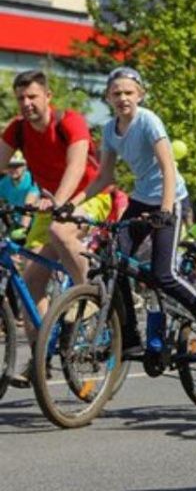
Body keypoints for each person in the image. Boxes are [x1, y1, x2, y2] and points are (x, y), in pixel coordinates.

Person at [78, 67, 196, 367]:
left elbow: (168, 168)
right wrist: (74, 203)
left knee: (164, 275)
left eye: (128, 93)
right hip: (140, 199)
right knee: (113, 263)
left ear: (140, 95)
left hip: (169, 199)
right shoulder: (110, 129)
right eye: (116, 93)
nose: (123, 98)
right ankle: (131, 336)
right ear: (108, 96)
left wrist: (165, 210)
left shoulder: (148, 121)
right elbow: (105, 175)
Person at [0, 70, 111, 382]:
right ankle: (39, 359)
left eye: (32, 96)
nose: (26, 103)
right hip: (51, 205)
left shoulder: (70, 121)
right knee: (29, 284)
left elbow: (77, 167)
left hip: (91, 196)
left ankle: (91, 296)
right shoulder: (17, 130)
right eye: (21, 98)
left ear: (47, 96)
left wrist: (61, 204)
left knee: (59, 230)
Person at [0, 152, 39, 238]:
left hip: (37, 225)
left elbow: (29, 204)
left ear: (25, 166)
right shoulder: (4, 183)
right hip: (17, 223)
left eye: (17, 166)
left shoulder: (32, 180)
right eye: (10, 165)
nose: (13, 169)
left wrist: (23, 228)